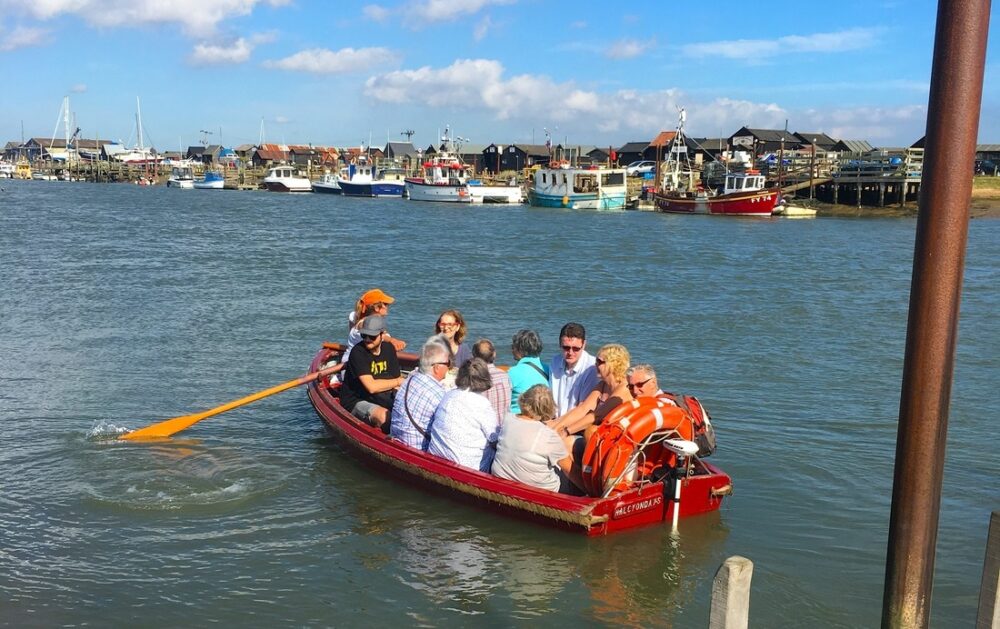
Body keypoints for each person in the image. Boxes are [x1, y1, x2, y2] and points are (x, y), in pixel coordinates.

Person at [492, 385, 583, 494]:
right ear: (548, 408)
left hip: (502, 480)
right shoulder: (549, 436)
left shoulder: (508, 419)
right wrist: (591, 491)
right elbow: (570, 471)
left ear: (524, 399)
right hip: (542, 491)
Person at [425, 357, 499, 472]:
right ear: (484, 378)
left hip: (437, 457)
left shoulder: (449, 395)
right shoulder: (482, 404)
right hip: (468, 468)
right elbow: (494, 439)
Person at [339, 315, 405, 433]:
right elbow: (372, 387)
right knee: (385, 417)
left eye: (372, 336)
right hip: (356, 400)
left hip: (382, 396)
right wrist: (398, 382)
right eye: (364, 335)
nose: (367, 339)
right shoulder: (358, 352)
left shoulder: (389, 349)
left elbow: (396, 378)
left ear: (382, 335)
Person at [550, 343, 632, 438]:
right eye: (596, 360)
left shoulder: (623, 389)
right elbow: (583, 409)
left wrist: (566, 431)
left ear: (613, 364)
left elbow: (596, 416)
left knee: (567, 442)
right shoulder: (603, 385)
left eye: (600, 361)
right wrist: (555, 426)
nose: (595, 364)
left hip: (612, 437)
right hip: (595, 432)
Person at [389, 339, 451, 449]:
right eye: (448, 363)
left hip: (398, 438)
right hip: (418, 448)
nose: (448, 367)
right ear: (436, 368)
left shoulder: (410, 379)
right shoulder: (438, 394)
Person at [548, 322, 599, 416]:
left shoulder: (591, 367)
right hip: (555, 419)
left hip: (575, 424)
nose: (570, 353)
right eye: (566, 348)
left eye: (576, 348)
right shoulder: (555, 361)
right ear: (560, 344)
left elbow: (582, 408)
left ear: (584, 345)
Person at [507, 329, 549, 414]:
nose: (512, 350)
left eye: (513, 346)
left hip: (519, 417)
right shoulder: (548, 369)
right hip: (542, 417)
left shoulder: (513, 372)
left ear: (520, 349)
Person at [472, 338, 512, 426]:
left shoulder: (473, 379)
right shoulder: (505, 376)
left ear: (474, 357)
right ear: (494, 354)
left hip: (484, 431)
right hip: (504, 428)